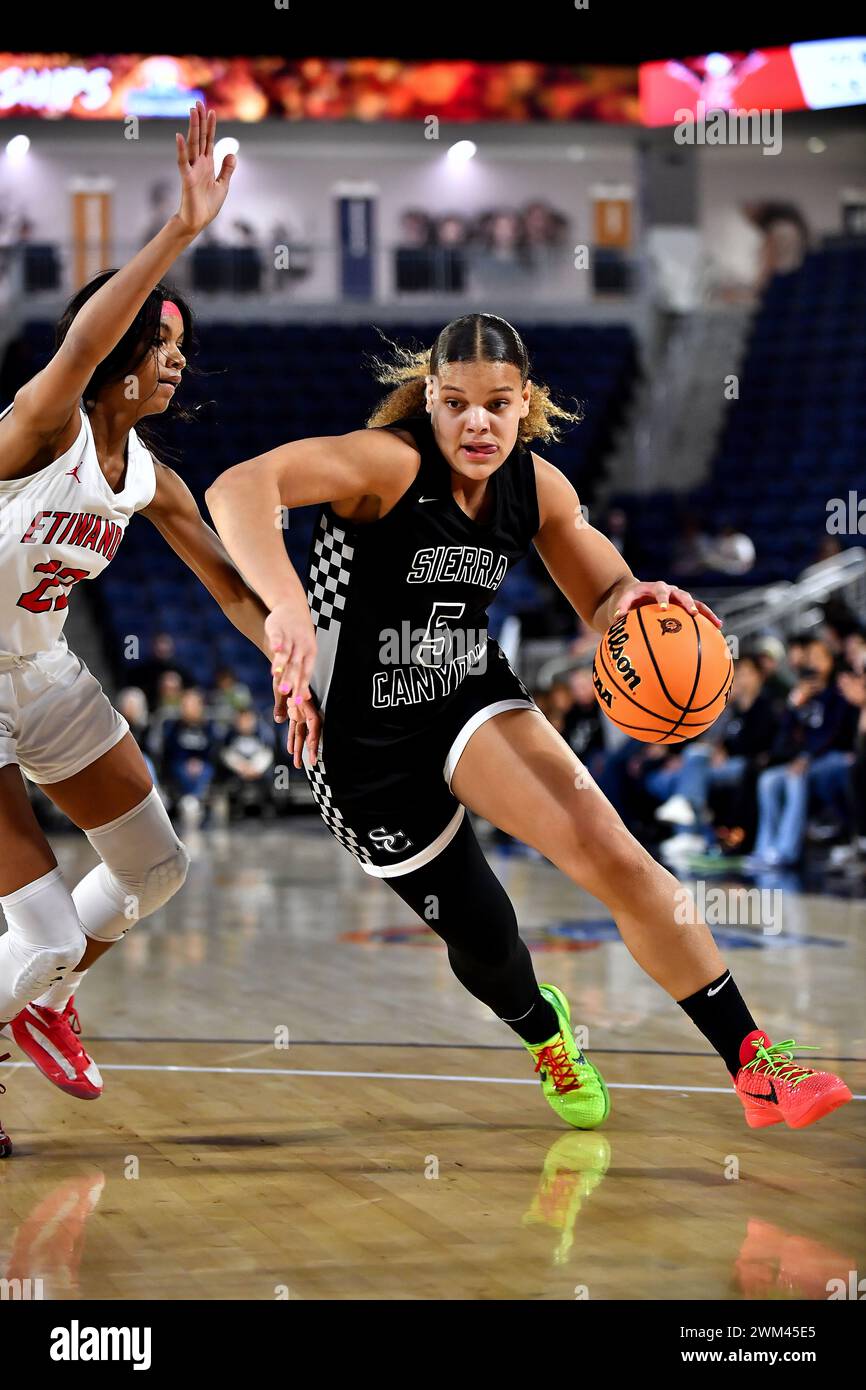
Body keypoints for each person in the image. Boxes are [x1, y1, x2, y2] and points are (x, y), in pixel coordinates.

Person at [206, 313, 852, 1135]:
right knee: (488, 941)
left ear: (524, 403)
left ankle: (754, 1063)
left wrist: (637, 603)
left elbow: (603, 594)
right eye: (455, 403)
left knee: (613, 851)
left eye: (498, 404)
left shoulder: (538, 487)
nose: (477, 423)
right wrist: (286, 608)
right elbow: (236, 488)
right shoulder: (387, 464)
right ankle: (544, 1030)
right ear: (429, 401)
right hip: (361, 745)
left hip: (463, 691)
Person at [0, 103, 283, 1156]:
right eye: (164, 341)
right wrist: (178, 231)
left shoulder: (151, 477)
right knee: (41, 945)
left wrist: (302, 670)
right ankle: (30, 995)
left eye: (181, 346)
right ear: (120, 343)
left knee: (155, 869)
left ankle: (34, 1001)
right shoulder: (43, 426)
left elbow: (231, 589)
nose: (176, 361)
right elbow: (79, 338)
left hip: (40, 673)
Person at [745, 638, 860, 870]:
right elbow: (786, 735)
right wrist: (794, 705)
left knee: (795, 777)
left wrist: (806, 758)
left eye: (819, 657)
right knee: (769, 780)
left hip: (832, 757)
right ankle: (765, 848)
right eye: (810, 658)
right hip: (804, 760)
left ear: (830, 660)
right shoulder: (804, 692)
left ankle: (786, 852)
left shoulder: (839, 691)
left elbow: (833, 734)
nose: (814, 663)